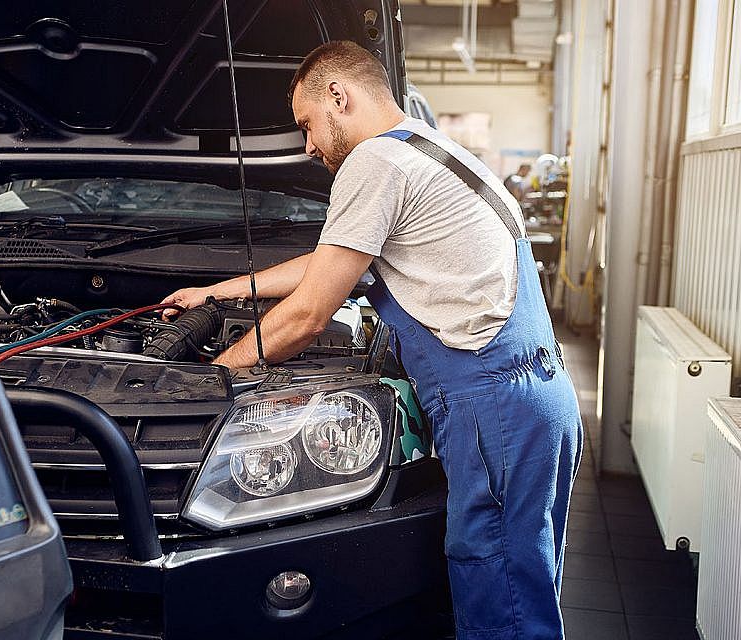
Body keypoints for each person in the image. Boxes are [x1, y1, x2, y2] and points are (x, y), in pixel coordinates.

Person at [161, 41, 583, 640]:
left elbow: (308, 314)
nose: (307, 145)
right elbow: (333, 263)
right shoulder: (427, 153)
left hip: (491, 406)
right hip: (530, 400)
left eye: (306, 124)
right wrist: (221, 292)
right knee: (521, 583)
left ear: (340, 96)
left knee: (500, 595)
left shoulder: (375, 162)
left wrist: (210, 378)